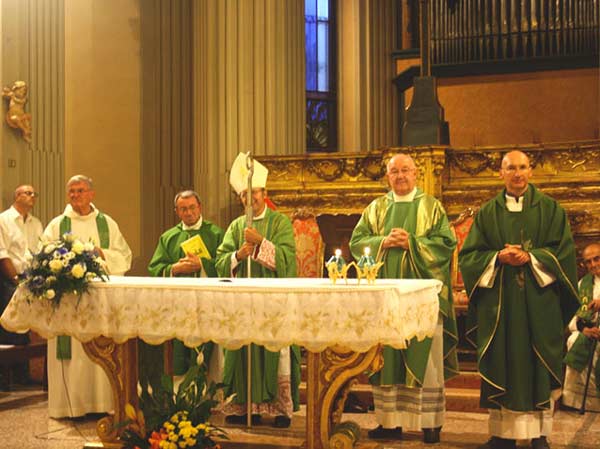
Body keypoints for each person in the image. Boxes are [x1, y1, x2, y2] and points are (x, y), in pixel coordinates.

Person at [459, 151, 580, 449]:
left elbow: (564, 254)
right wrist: (498, 257)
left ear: (531, 171)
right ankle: (501, 436)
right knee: (503, 360)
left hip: (539, 303)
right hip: (500, 306)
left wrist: (531, 257)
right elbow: (470, 257)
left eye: (523, 167)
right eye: (510, 168)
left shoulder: (551, 210)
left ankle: (539, 435)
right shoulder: (488, 213)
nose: (517, 174)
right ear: (500, 173)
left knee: (538, 363)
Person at [349, 153, 458, 444]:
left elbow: (447, 245)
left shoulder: (431, 207)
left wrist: (412, 243)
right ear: (387, 176)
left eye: (406, 171)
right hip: (385, 301)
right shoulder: (376, 208)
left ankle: (430, 425)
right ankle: (389, 422)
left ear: (416, 174)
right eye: (394, 171)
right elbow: (356, 242)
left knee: (427, 359)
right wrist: (382, 242)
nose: (400, 176)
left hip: (421, 301)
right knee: (387, 359)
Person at [215, 153, 299, 428]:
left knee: (276, 350)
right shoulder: (236, 226)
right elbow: (220, 261)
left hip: (273, 301)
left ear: (264, 193)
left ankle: (279, 410)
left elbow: (287, 260)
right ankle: (242, 406)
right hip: (242, 302)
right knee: (242, 349)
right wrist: (238, 255)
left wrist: (261, 242)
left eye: (255, 193)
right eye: (244, 195)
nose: (249, 199)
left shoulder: (280, 223)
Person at [44, 175, 132, 418]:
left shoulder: (107, 224)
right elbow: (43, 255)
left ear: (91, 194)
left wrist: (101, 252)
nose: (75, 195)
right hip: (68, 302)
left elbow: (124, 256)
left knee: (99, 350)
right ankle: (69, 406)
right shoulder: (57, 225)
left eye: (80, 190)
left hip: (99, 302)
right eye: (71, 191)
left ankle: (102, 404)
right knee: (72, 352)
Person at [147, 190, 224, 378]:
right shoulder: (168, 237)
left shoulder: (216, 233)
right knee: (179, 355)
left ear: (200, 208)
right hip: (178, 305)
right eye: (183, 209)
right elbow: (155, 268)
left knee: (206, 356)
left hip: (208, 304)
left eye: (192, 208)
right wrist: (174, 269)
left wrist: (203, 265)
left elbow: (226, 265)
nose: (188, 213)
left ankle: (208, 394)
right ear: (177, 212)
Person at [0, 185, 44, 386]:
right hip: (9, 279)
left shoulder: (36, 224)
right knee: (9, 327)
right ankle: (5, 377)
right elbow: (3, 254)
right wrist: (16, 281)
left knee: (25, 327)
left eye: (34, 194)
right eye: (28, 193)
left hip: (31, 279)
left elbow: (40, 252)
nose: (32, 196)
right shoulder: (4, 220)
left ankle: (22, 375)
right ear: (17, 196)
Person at [562, 242, 600, 411]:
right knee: (574, 339)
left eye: (597, 259)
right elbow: (574, 315)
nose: (593, 265)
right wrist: (584, 329)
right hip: (590, 332)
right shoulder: (582, 284)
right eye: (588, 262)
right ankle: (574, 400)